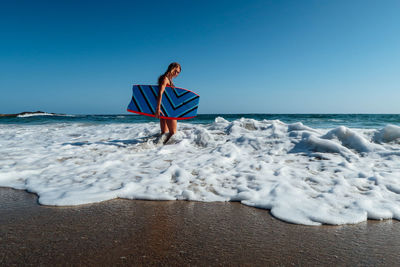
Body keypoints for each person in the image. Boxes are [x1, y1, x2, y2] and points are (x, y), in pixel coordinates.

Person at [155, 62, 181, 144]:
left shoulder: (168, 79)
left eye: (178, 73)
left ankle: (158, 148)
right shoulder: (165, 79)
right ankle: (164, 149)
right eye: (176, 71)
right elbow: (160, 93)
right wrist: (158, 108)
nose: (176, 74)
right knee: (173, 133)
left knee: (164, 133)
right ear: (171, 69)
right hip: (168, 109)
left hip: (164, 108)